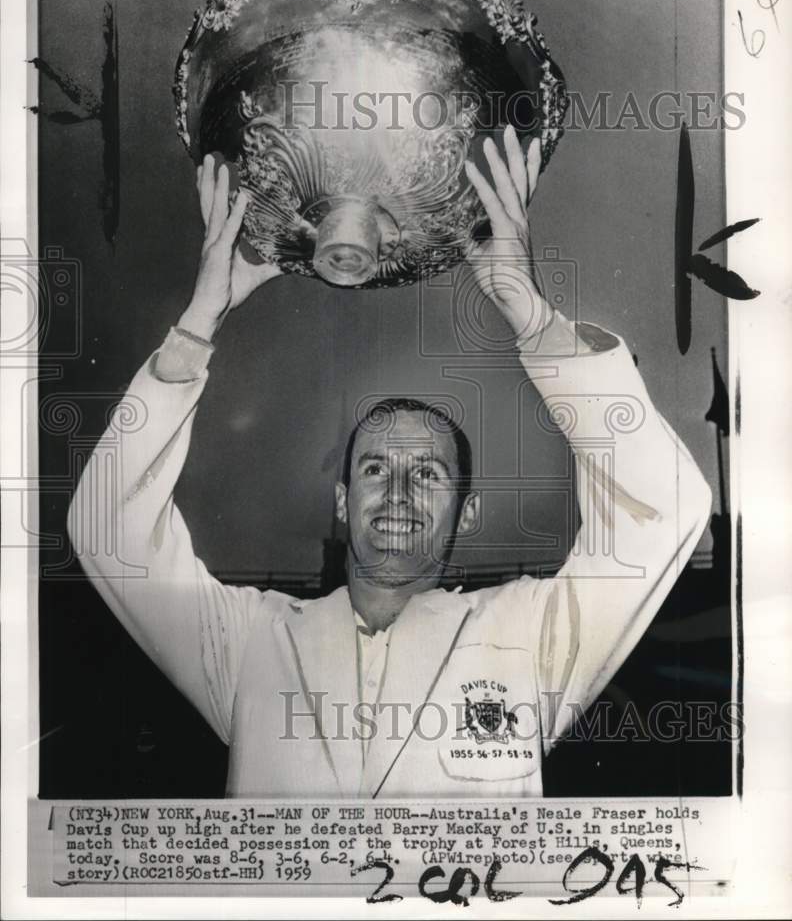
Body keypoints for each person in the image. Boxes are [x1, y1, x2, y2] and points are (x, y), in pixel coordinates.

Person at [67, 127, 711, 798]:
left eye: (428, 474)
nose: (398, 493)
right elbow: (110, 534)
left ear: (469, 510)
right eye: (375, 468)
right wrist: (198, 323)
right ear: (343, 500)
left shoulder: (532, 635)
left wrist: (535, 319)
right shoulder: (249, 642)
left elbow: (663, 513)